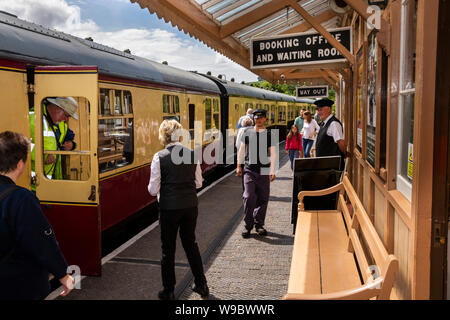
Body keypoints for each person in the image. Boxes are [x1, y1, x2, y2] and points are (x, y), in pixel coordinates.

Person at [0, 131, 74, 300]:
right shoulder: (21, 198)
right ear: (20, 164)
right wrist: (62, 274)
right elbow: (41, 242)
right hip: (16, 285)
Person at [148, 120, 209, 300]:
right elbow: (198, 183)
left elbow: (152, 189)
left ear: (163, 136)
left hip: (168, 209)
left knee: (168, 249)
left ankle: (169, 291)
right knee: (191, 244)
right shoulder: (192, 154)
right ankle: (202, 284)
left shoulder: (159, 157)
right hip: (190, 206)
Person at [236, 109, 277, 238]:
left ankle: (259, 225)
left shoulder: (270, 134)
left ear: (265, 119)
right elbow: (242, 150)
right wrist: (238, 165)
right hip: (249, 169)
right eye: (256, 118)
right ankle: (248, 226)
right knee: (248, 197)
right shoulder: (247, 132)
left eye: (261, 118)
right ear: (254, 119)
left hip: (264, 169)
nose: (258, 120)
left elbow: (273, 153)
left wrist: (272, 170)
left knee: (263, 198)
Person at [30, 97, 78, 182]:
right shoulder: (33, 118)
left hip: (49, 179)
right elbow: (15, 145)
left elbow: (64, 141)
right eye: (66, 115)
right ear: (57, 108)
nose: (66, 120)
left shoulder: (60, 124)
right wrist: (43, 155)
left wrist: (72, 145)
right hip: (32, 184)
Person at [314, 98, 350, 169]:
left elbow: (340, 142)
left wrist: (345, 153)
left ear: (329, 109)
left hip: (331, 167)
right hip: (325, 165)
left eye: (321, 109)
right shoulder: (324, 123)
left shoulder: (334, 123)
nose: (318, 112)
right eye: (318, 110)